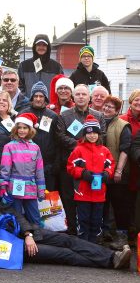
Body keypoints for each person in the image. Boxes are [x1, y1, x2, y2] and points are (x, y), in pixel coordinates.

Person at [0, 183, 131, 269]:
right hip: (9, 248)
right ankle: (109, 263)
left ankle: (113, 257)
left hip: (22, 234)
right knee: (63, 254)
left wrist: (27, 233)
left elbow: (13, 213)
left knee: (67, 240)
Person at [57, 84, 106, 235]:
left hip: (93, 168)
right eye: (77, 94)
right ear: (73, 96)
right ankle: (72, 229)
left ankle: (90, 232)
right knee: (69, 198)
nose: (80, 97)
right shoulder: (64, 115)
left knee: (90, 201)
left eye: (84, 94)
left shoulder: (98, 116)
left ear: (89, 97)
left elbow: (103, 135)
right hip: (70, 165)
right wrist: (81, 146)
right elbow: (60, 136)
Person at [67, 115, 115, 243]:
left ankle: (95, 243)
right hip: (83, 192)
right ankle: (83, 242)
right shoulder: (78, 150)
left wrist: (107, 173)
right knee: (83, 218)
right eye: (89, 133)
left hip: (99, 193)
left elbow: (111, 165)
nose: (92, 135)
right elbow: (70, 166)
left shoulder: (104, 150)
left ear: (99, 134)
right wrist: (82, 173)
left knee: (97, 219)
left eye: (95, 133)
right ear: (84, 134)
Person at [0, 113, 46, 225]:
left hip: (31, 187)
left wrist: (41, 189)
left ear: (30, 129)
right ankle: (19, 240)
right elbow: (5, 168)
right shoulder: (9, 146)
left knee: (34, 218)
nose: (22, 130)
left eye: (25, 128)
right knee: (16, 217)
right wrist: (3, 186)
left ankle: (37, 239)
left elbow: (39, 170)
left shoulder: (35, 147)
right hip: (15, 187)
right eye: (19, 127)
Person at [102, 96, 131, 248]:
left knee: (119, 205)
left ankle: (122, 238)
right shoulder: (98, 121)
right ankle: (104, 233)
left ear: (117, 110)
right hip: (101, 173)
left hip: (118, 174)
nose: (107, 108)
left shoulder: (123, 125)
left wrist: (118, 170)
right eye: (105, 105)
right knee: (102, 204)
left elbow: (125, 150)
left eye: (111, 107)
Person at [20, 81, 59, 191]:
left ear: (45, 98)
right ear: (32, 97)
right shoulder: (23, 114)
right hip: (27, 164)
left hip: (48, 165)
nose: (38, 99)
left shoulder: (53, 116)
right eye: (35, 96)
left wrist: (55, 163)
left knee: (47, 197)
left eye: (41, 96)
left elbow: (57, 140)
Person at [120, 89, 140, 241]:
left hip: (137, 168)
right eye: (136, 100)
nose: (138, 103)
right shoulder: (122, 119)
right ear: (131, 101)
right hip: (125, 167)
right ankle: (127, 233)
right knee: (125, 202)